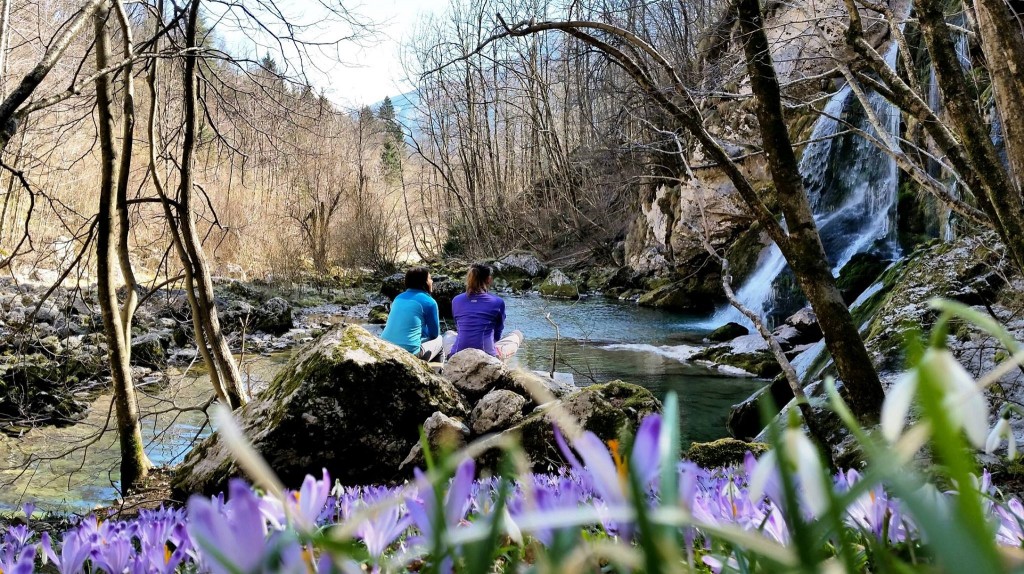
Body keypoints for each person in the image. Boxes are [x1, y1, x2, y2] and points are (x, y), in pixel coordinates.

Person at [449, 263, 523, 360]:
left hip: (457, 354)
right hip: (487, 356)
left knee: (449, 334)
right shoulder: (497, 302)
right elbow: (498, 332)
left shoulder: (456, 300)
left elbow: (458, 327)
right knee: (517, 334)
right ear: (489, 279)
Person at [380, 267, 443, 361]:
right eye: (430, 278)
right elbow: (434, 334)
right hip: (409, 352)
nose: (432, 281)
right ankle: (434, 370)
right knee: (439, 340)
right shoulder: (429, 302)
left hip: (384, 347)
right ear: (424, 282)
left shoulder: (398, 298)